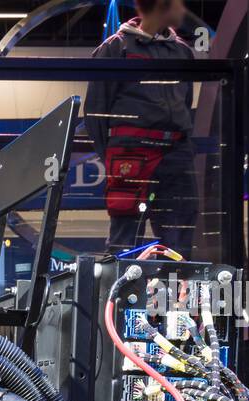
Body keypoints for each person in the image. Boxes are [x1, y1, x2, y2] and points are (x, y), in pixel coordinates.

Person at [84, 0, 197, 257]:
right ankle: (119, 296)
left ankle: (174, 296)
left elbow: (185, 105)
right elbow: (95, 114)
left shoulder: (182, 52)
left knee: (179, 242)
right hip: (131, 157)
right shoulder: (116, 47)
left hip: (176, 156)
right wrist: (115, 154)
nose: (183, 9)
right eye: (178, 3)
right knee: (124, 241)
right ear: (162, 5)